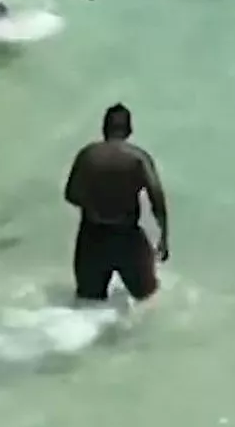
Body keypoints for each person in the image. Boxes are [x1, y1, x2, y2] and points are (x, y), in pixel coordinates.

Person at [62, 103, 170, 303]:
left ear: (104, 128)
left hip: (91, 238)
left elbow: (70, 195)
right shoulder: (138, 159)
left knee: (88, 304)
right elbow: (157, 197)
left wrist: (96, 206)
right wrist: (163, 237)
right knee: (148, 299)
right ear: (129, 130)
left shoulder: (87, 155)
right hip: (127, 238)